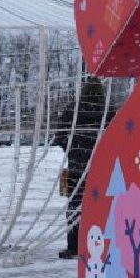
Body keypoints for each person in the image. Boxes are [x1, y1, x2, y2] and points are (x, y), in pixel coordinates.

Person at [50, 75, 107, 259]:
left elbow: (59, 135)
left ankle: (74, 246)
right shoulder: (109, 110)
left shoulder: (72, 110)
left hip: (77, 165)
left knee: (75, 205)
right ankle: (100, 244)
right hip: (101, 167)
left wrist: (73, 149)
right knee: (102, 207)